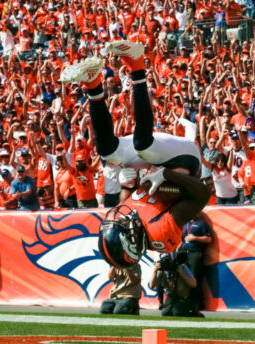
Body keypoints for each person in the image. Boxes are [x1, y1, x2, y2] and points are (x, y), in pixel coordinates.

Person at [60, 40, 208, 267]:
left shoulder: (124, 218)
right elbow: (202, 194)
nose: (119, 220)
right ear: (132, 241)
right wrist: (166, 176)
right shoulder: (160, 235)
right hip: (186, 159)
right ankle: (137, 65)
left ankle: (93, 84)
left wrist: (125, 186)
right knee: (143, 146)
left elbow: (126, 200)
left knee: (108, 152)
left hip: (155, 161)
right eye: (121, 228)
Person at [149, 251, 198, 317]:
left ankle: (193, 312)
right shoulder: (161, 270)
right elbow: (151, 286)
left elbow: (194, 284)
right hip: (171, 296)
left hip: (183, 297)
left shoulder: (182, 266)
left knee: (177, 312)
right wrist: (155, 271)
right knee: (165, 312)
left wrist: (182, 273)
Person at [181, 213, 212, 312]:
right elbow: (182, 240)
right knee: (184, 278)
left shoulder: (202, 224)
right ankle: (186, 301)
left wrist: (195, 238)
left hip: (195, 253)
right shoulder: (185, 224)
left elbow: (208, 238)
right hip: (184, 253)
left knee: (195, 278)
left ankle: (197, 304)